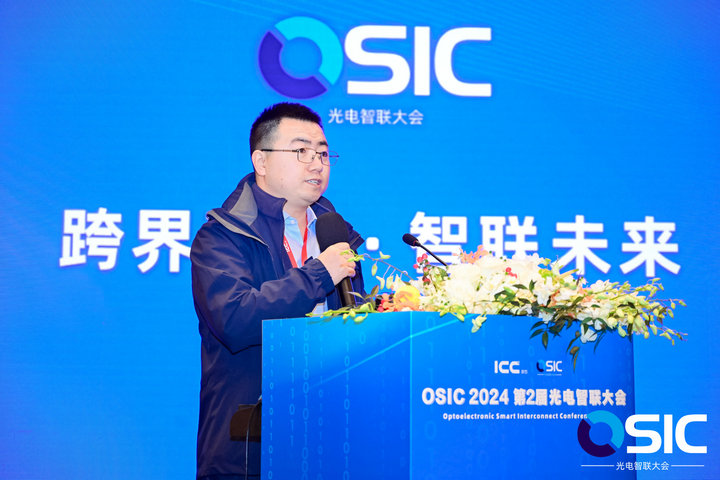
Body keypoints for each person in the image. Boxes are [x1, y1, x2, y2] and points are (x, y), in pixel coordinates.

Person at [190, 102, 365, 479]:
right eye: (301, 151)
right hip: (249, 447)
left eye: (323, 153)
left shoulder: (337, 238)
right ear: (261, 161)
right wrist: (319, 274)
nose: (317, 163)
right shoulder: (223, 237)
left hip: (332, 440)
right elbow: (236, 320)